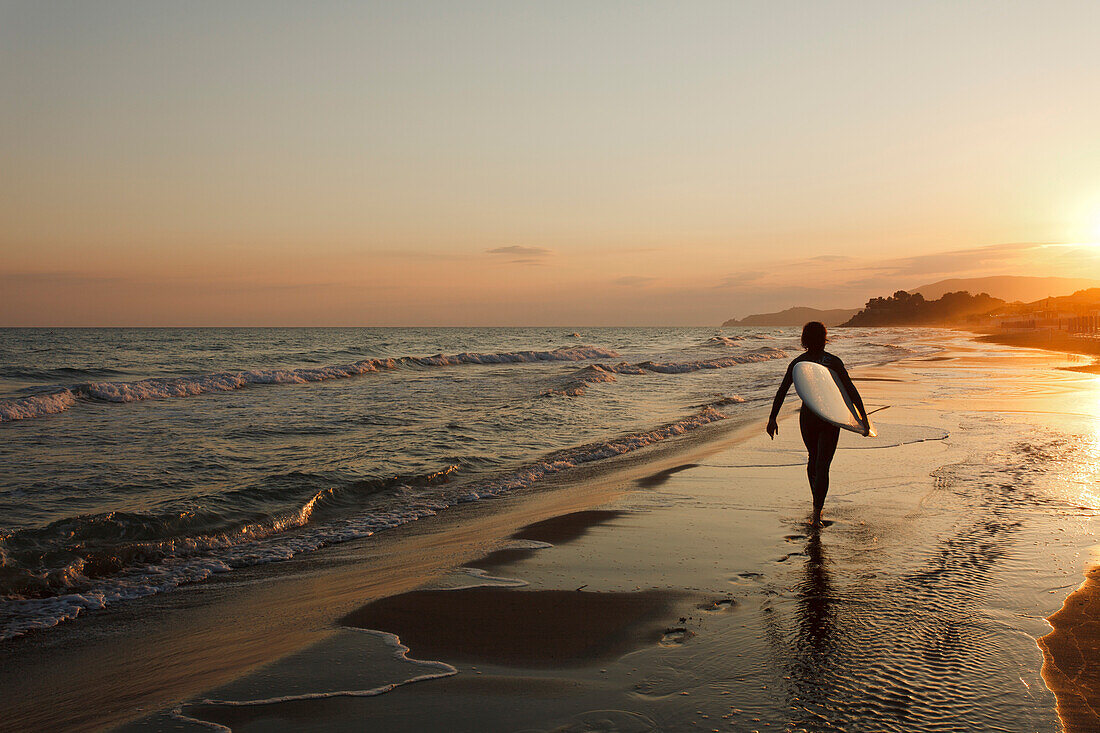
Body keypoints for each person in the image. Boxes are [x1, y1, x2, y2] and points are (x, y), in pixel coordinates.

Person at [766, 322, 867, 525]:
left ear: (804, 339)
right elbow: (850, 390)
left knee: (814, 461)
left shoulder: (799, 363)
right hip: (829, 418)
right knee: (821, 465)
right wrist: (863, 418)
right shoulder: (832, 361)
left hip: (808, 417)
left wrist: (773, 417)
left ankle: (816, 508)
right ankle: (817, 509)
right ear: (823, 338)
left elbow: (782, 391)